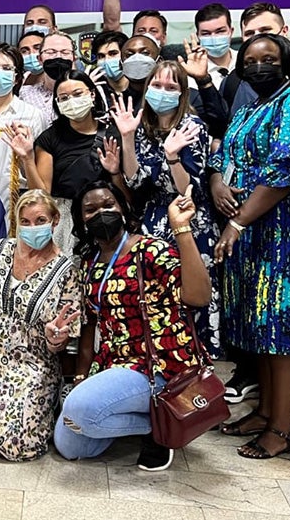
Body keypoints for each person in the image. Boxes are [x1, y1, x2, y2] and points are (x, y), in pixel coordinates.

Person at [209, 33, 290, 459]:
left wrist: (239, 222)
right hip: (249, 237)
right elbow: (219, 156)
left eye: (269, 58)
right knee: (257, 326)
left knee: (284, 329)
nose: (259, 65)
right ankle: (264, 412)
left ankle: (282, 429)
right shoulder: (247, 110)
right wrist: (217, 183)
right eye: (251, 59)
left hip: (288, 236)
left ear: (287, 63)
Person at [54, 181, 211, 471]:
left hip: (158, 365)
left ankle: (162, 427)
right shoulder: (90, 264)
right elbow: (90, 324)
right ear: (82, 221)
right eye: (91, 210)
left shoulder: (151, 250)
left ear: (123, 210)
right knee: (70, 445)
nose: (101, 213)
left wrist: (182, 230)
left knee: (80, 411)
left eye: (108, 206)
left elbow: (199, 297)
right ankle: (154, 423)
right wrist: (80, 377)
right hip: (114, 365)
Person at [0, 190, 83, 461]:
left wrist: (55, 336)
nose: (33, 228)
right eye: (26, 222)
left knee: (20, 442)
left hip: (32, 364)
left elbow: (62, 339)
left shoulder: (67, 272)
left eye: (40, 220)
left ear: (55, 221)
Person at [113, 60, 221, 357]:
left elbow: (190, 188)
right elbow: (134, 180)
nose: (162, 92)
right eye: (157, 86)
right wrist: (126, 137)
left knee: (191, 291)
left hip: (187, 218)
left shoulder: (192, 126)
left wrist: (173, 157)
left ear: (182, 92)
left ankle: (195, 367)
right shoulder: (142, 126)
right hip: (153, 218)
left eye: (171, 87)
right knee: (155, 293)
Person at [16, 71, 117, 257]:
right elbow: (42, 195)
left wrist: (115, 171)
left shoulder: (112, 134)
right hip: (65, 222)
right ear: (58, 103)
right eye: (64, 98)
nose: (72, 101)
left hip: (105, 218)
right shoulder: (49, 138)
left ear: (92, 94)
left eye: (78, 94)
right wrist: (27, 159)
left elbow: (124, 189)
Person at [20, 31, 78, 123]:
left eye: (65, 52)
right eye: (50, 52)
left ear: (74, 58)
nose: (58, 57)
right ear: (39, 59)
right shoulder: (25, 94)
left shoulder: (85, 93)